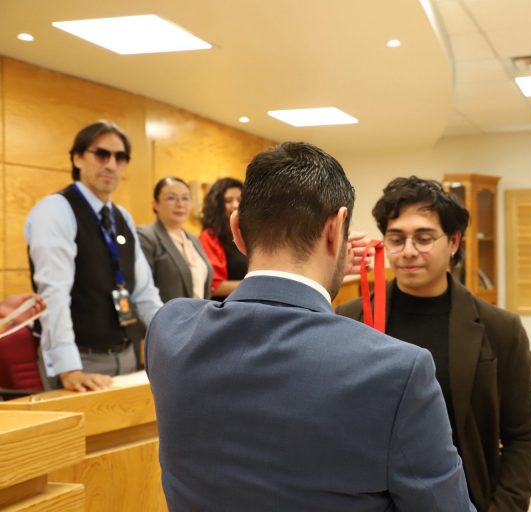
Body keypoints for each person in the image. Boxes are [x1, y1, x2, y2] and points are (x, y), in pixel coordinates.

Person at [146, 142, 475, 511]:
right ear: (336, 228)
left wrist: (325, 263)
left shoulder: (170, 331)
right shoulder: (398, 370)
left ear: (237, 230)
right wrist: (326, 262)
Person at [337, 176, 531, 512]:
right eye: (396, 239)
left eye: (424, 238)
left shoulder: (500, 329)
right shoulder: (350, 318)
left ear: (454, 241)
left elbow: (522, 436)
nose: (408, 251)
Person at [25, 120, 162, 392]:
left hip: (126, 355)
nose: (111, 165)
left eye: (120, 157)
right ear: (77, 158)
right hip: (81, 361)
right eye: (101, 154)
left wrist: (177, 340)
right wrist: (69, 369)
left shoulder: (122, 217)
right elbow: (54, 294)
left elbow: (145, 293)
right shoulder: (55, 210)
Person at [138, 177, 213, 302]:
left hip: (198, 313)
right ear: (155, 204)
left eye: (185, 198)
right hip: (164, 313)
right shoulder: (145, 237)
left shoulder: (194, 240)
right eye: (171, 198)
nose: (180, 204)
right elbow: (142, 289)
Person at [198, 177, 247, 298]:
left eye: (239, 200)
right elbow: (214, 286)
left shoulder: (248, 233)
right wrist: (256, 285)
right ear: (217, 205)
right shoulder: (210, 236)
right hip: (225, 305)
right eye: (228, 201)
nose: (235, 205)